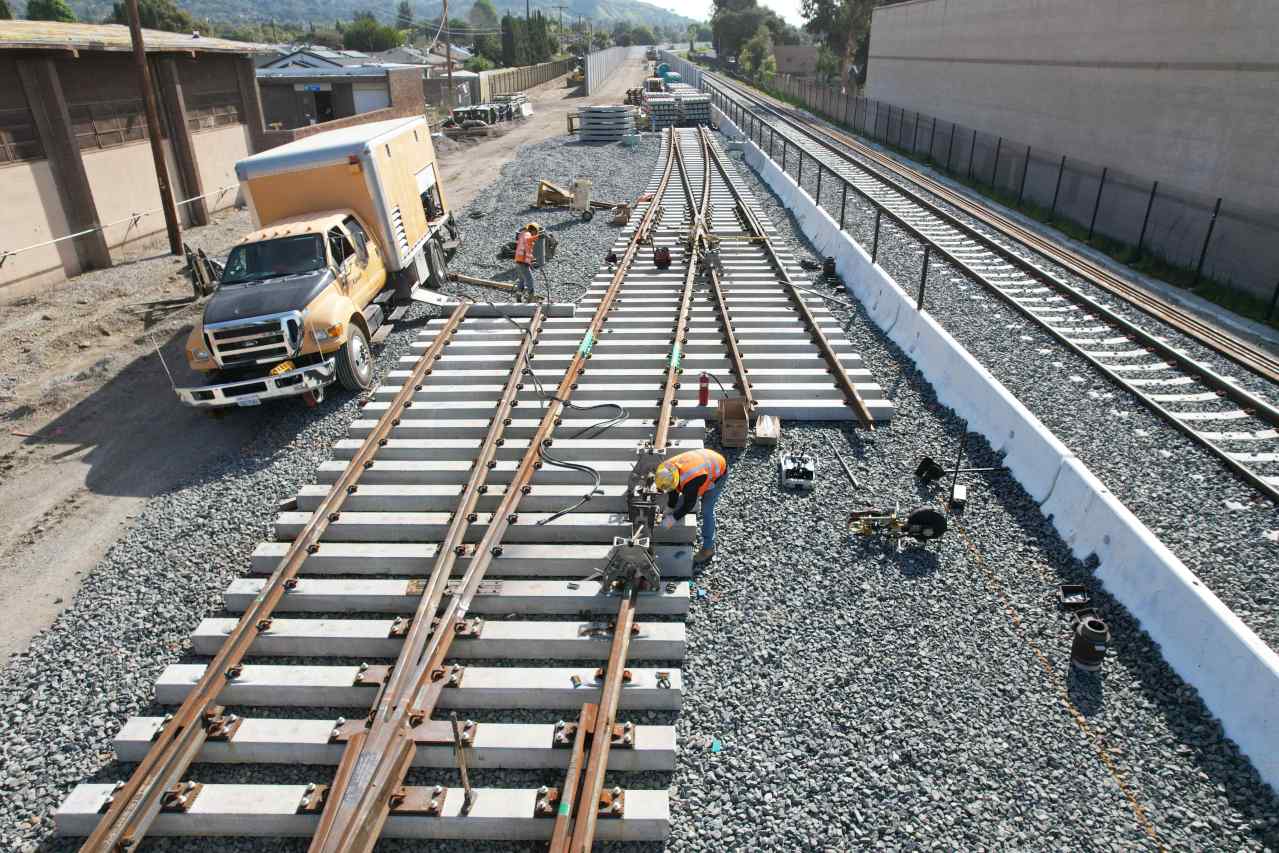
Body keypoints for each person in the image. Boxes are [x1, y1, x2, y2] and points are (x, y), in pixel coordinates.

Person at [654, 448, 727, 565]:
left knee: (707, 510)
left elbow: (689, 505)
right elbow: (672, 489)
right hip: (705, 460)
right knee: (686, 496)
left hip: (718, 469)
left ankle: (708, 549)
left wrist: (672, 519)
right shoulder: (667, 468)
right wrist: (670, 507)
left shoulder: (691, 480)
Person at [513, 222, 541, 302]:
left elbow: (526, 250)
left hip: (518, 261)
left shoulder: (522, 234)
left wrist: (531, 259)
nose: (535, 234)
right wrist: (538, 236)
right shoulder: (527, 234)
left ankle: (518, 297)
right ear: (534, 231)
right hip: (522, 262)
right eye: (536, 233)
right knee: (530, 279)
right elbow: (527, 240)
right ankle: (530, 297)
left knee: (522, 279)